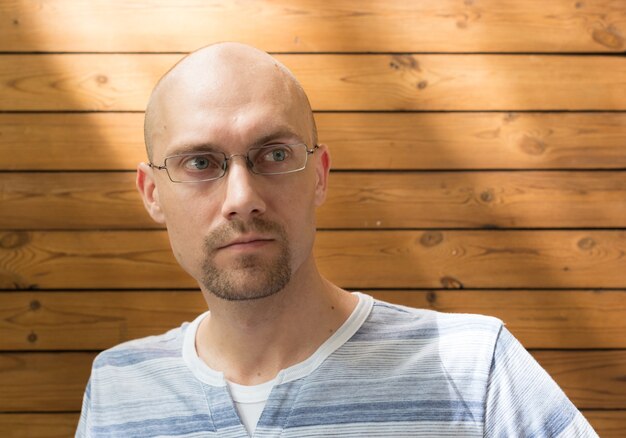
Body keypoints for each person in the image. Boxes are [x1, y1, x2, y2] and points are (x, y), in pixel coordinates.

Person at [76, 42, 597, 437]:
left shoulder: (478, 369)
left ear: (319, 175)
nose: (241, 197)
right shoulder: (118, 385)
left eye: (274, 154)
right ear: (152, 193)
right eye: (200, 163)